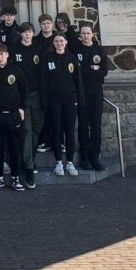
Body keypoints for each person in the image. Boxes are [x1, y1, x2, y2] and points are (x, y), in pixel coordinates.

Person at [0, 43, 27, 191]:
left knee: (14, 147)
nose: (0, 57)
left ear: (7, 54)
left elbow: (23, 90)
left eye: (2, 54)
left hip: (13, 115)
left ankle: (15, 178)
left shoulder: (16, 70)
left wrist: (21, 108)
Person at [75, 22, 112, 171]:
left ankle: (94, 157)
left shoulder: (100, 50)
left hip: (96, 91)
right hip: (82, 91)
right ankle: (85, 158)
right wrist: (91, 68)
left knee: (96, 125)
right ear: (80, 35)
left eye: (88, 33)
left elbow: (103, 71)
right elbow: (78, 72)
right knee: (83, 125)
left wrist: (86, 68)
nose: (85, 36)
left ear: (92, 34)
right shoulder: (75, 50)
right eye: (83, 33)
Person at [43, 32, 81, 177]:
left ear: (66, 42)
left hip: (70, 99)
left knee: (70, 131)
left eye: (61, 41)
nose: (59, 43)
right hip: (54, 99)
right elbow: (44, 80)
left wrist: (79, 98)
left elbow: (77, 80)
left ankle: (70, 163)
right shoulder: (48, 58)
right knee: (57, 130)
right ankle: (58, 162)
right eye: (56, 41)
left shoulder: (72, 58)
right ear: (53, 43)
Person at [13, 23, 43, 188]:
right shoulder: (14, 49)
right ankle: (29, 166)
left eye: (29, 32)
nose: (27, 35)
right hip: (22, 96)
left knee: (36, 129)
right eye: (24, 32)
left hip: (37, 94)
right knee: (26, 129)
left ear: (33, 33)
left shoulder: (38, 50)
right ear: (20, 34)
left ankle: (29, 157)